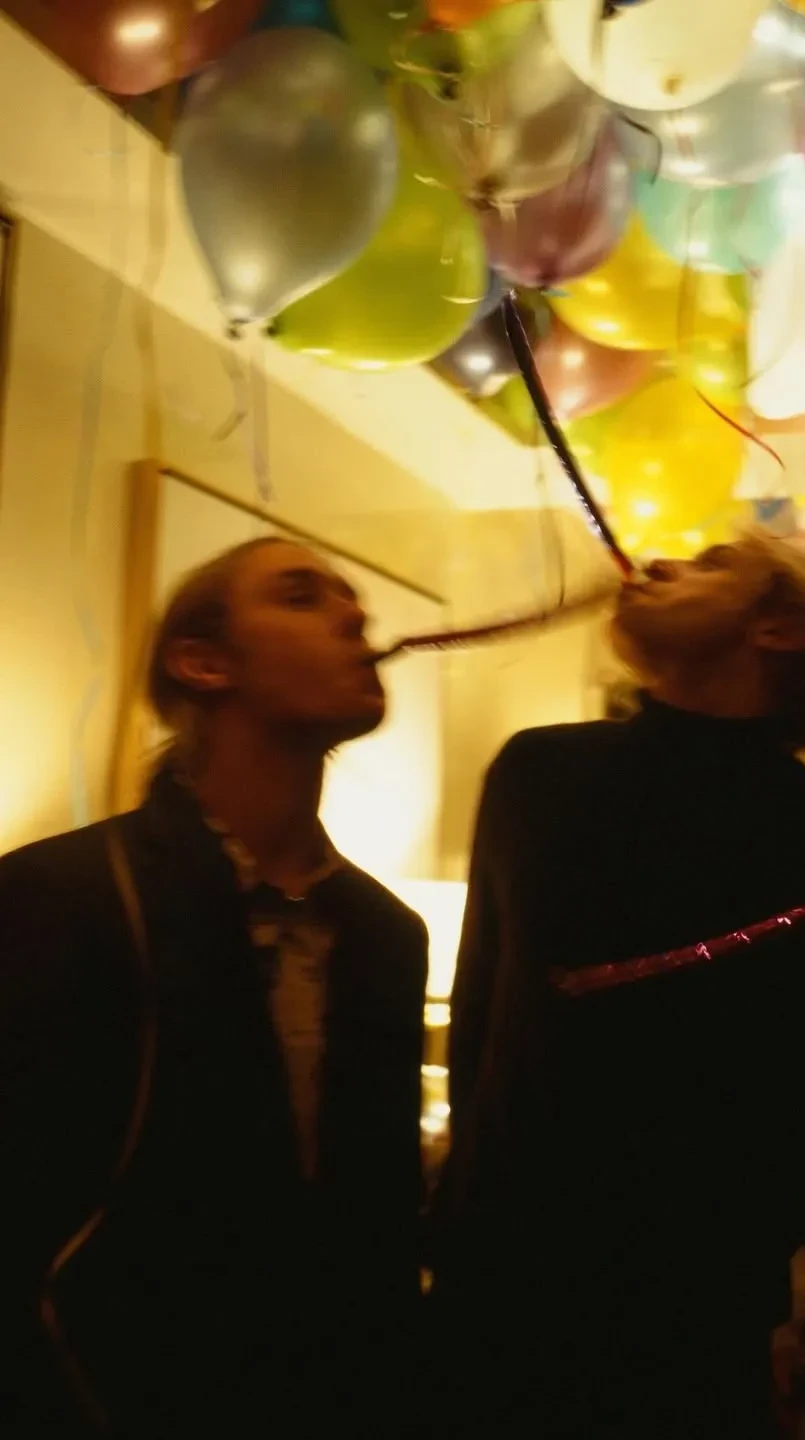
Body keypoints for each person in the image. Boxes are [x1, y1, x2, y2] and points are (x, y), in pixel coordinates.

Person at [434, 532, 805, 1438]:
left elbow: (799, 1097)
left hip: (691, 1315)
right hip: (500, 1284)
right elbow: (485, 1015)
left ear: (781, 628)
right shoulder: (534, 770)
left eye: (711, 562)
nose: (660, 564)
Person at [0, 538, 428, 1438]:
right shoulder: (61, 894)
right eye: (302, 596)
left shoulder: (389, 933)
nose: (356, 615)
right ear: (202, 664)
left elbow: (376, 1233)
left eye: (349, 598)